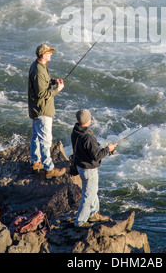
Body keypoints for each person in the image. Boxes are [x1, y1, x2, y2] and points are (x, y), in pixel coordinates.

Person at [71, 109, 117, 227]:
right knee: (88, 196)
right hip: (88, 170)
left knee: (92, 191)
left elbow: (92, 148)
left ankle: (93, 214)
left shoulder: (76, 131)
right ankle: (80, 222)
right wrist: (108, 149)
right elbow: (96, 156)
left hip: (80, 166)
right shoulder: (87, 136)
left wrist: (107, 150)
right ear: (88, 120)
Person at [28, 43, 65, 179]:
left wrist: (53, 81)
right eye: (49, 53)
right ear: (43, 55)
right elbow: (41, 93)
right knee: (45, 139)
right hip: (42, 110)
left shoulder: (39, 66)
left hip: (37, 109)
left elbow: (43, 83)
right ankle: (49, 168)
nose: (51, 54)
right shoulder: (38, 71)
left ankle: (35, 162)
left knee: (36, 137)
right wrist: (57, 90)